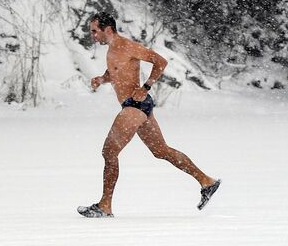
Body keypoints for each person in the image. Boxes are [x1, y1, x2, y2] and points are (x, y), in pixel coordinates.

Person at [77, 12, 221, 218]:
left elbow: (160, 62)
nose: (93, 36)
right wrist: (102, 79)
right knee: (161, 151)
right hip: (136, 106)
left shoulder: (127, 46)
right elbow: (115, 72)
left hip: (135, 105)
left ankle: (104, 206)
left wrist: (146, 86)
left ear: (107, 29)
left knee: (109, 152)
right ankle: (207, 181)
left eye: (94, 31)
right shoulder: (111, 50)